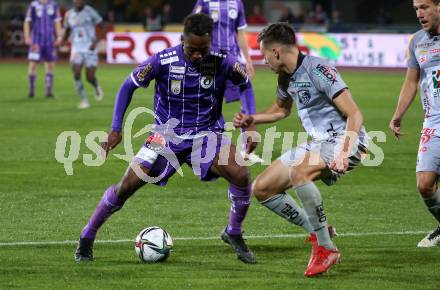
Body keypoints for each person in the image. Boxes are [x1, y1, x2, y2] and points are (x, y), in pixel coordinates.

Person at [74, 13, 256, 264]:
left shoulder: (223, 62)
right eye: (193, 49)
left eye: (204, 49)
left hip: (207, 135)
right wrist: (116, 128)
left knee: (241, 174)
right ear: (182, 40)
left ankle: (233, 232)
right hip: (165, 136)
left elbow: (245, 84)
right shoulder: (162, 61)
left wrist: (250, 123)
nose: (198, 55)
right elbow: (128, 86)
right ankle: (87, 235)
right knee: (126, 186)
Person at [233, 23, 368, 277]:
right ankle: (319, 230)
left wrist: (343, 151)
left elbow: (354, 113)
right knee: (262, 188)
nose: (263, 61)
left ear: (276, 51)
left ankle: (326, 250)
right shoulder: (286, 78)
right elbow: (282, 109)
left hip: (346, 139)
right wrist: (252, 118)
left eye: (263, 55)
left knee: (299, 173)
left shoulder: (319, 69)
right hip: (319, 142)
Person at [390, 0, 440, 248]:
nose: (419, 14)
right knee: (425, 185)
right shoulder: (417, 41)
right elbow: (411, 81)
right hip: (434, 122)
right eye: (416, 9)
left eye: (424, 7)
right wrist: (398, 113)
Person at [192, 0, 262, 162]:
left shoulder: (237, 3)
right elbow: (194, 26)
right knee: (207, 103)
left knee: (247, 98)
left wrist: (248, 60)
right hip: (209, 61)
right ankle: (202, 145)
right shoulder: (205, 2)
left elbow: (240, 33)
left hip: (232, 61)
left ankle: (247, 150)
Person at [62, 0, 104, 109]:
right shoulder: (69, 14)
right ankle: (84, 100)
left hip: (90, 48)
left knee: (89, 77)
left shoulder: (90, 11)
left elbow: (102, 26)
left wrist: (96, 42)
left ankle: (96, 85)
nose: (78, 1)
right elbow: (67, 30)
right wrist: (62, 42)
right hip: (77, 49)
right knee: (76, 73)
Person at [23, 0, 62, 98]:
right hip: (36, 41)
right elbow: (27, 21)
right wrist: (27, 36)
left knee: (50, 64)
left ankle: (49, 91)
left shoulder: (53, 4)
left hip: (50, 40)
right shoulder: (33, 5)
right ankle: (31, 90)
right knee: (33, 64)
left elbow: (57, 21)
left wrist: (59, 36)